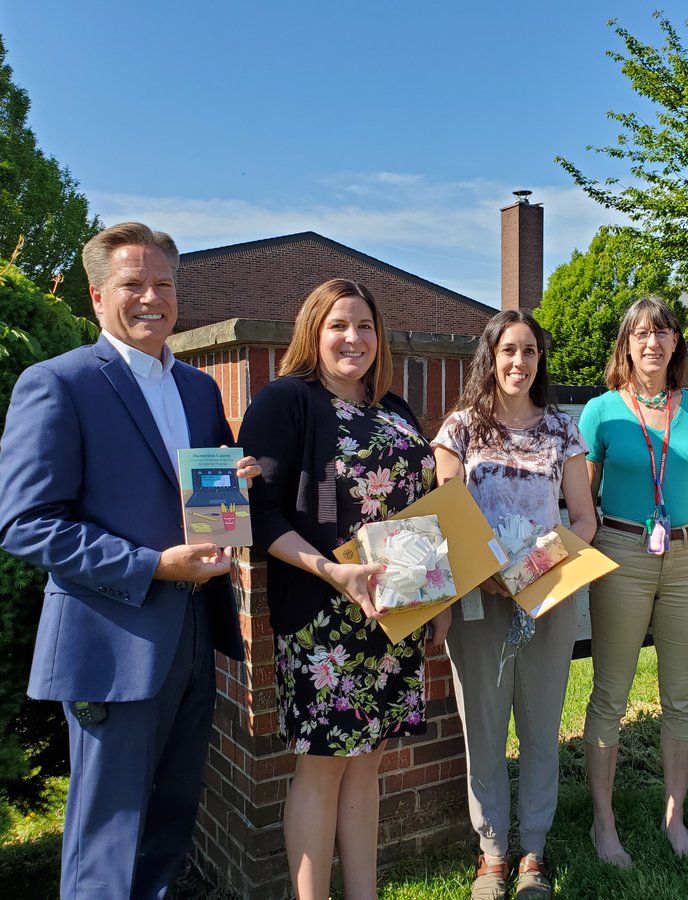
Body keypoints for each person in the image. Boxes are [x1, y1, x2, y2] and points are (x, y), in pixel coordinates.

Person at [0, 222, 259, 899]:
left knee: (170, 826)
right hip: (112, 645)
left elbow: (207, 493)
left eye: (164, 284)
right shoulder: (58, 384)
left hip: (195, 634)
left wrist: (235, 488)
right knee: (107, 843)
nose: (151, 298)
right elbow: (26, 524)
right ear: (96, 296)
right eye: (132, 284)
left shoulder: (200, 390)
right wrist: (151, 565)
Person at [240, 278, 445, 900]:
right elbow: (261, 514)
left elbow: (423, 505)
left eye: (363, 326)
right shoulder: (286, 402)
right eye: (338, 326)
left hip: (393, 611)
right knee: (322, 766)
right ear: (314, 333)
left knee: (368, 761)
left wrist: (437, 598)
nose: (352, 338)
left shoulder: (394, 408)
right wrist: (332, 570)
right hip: (324, 615)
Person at [432, 310, 596, 900]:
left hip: (547, 596)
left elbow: (583, 516)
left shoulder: (561, 429)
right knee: (484, 726)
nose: (519, 363)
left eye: (529, 352)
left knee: (540, 725)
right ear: (490, 356)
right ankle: (492, 852)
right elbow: (448, 515)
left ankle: (534, 850)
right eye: (508, 351)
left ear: (540, 361)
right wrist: (492, 572)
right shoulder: (461, 429)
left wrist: (538, 567)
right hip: (480, 598)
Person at [578, 296, 688, 867]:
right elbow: (582, 495)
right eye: (640, 334)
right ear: (626, 345)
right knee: (611, 693)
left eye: (662, 332)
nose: (652, 343)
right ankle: (603, 825)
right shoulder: (602, 410)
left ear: (676, 342)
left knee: (681, 695)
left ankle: (674, 818)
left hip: (686, 556)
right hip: (619, 552)